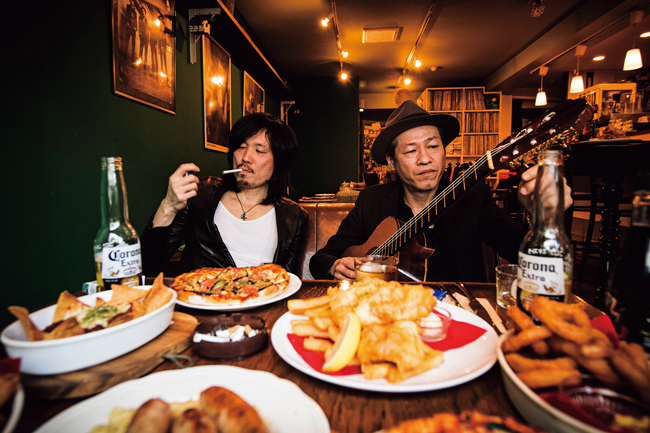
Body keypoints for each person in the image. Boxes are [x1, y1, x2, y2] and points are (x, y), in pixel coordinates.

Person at [309, 99, 573, 282]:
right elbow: (321, 259)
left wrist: (544, 220)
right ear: (392, 161)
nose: (425, 159)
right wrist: (334, 266)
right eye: (411, 150)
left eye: (433, 146)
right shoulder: (372, 200)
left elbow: (531, 259)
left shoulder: (472, 197)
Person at [141, 112, 309, 277]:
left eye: (259, 151)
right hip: (200, 299)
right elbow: (147, 266)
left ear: (280, 162)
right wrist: (168, 206)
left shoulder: (294, 217)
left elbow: (288, 281)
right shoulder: (200, 194)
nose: (245, 157)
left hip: (261, 301)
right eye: (241, 147)